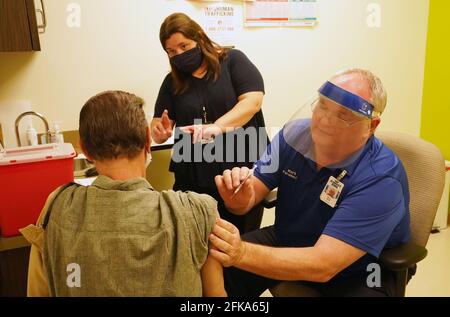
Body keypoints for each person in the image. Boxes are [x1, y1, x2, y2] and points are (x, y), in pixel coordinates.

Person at [210, 69, 411, 297]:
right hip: (292, 238)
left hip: (361, 267)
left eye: (343, 114)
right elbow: (248, 197)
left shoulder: (381, 178)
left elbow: (323, 265)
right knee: (214, 263)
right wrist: (239, 197)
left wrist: (241, 253)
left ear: (371, 126)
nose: (325, 119)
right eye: (323, 106)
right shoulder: (294, 136)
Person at [20, 91, 226, 297]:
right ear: (148, 140)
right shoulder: (198, 212)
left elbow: (37, 291)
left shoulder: (58, 206)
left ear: (85, 151)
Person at [151, 13, 268, 234]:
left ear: (200, 38)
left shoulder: (233, 61)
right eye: (171, 51)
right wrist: (159, 131)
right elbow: (159, 123)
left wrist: (217, 127)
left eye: (184, 46)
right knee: (200, 239)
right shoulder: (172, 82)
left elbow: (252, 101)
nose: (179, 54)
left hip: (240, 166)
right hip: (194, 173)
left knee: (241, 239)